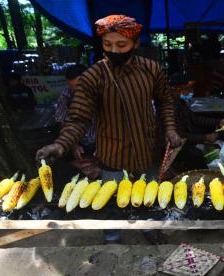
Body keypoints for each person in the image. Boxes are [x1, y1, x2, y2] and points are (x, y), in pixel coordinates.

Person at [35, 14, 182, 243]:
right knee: (112, 199)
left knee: (147, 195)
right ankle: (112, 237)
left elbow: (165, 102)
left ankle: (148, 228)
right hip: (112, 152)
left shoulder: (151, 70)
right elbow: (78, 118)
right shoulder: (93, 76)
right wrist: (60, 144)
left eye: (121, 45)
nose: (113, 50)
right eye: (107, 44)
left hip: (146, 149)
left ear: (135, 44)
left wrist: (171, 130)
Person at [54, 64, 99, 180]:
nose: (76, 90)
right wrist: (73, 144)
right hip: (80, 142)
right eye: (71, 86)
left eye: (79, 86)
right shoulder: (66, 95)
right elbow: (61, 121)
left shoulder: (103, 92)